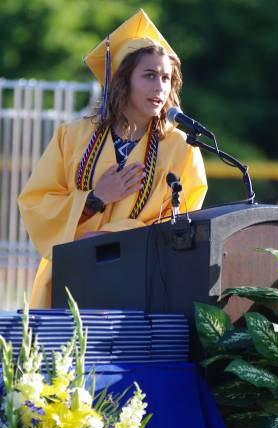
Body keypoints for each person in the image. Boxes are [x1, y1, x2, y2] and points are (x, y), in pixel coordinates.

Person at [18, 9, 207, 308]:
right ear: (122, 80)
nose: (160, 86)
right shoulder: (73, 136)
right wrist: (95, 199)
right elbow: (36, 202)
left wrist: (110, 236)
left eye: (166, 78)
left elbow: (183, 226)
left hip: (141, 282)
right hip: (72, 274)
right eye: (149, 75)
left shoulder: (181, 150)